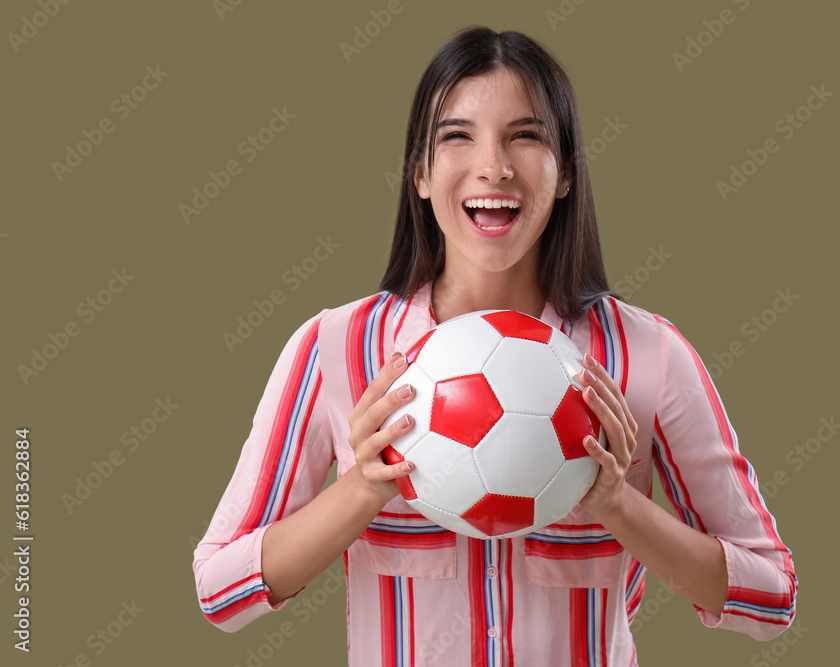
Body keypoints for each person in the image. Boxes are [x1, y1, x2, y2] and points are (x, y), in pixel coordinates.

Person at [192, 26, 797, 666]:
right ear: (420, 174)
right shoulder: (335, 349)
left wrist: (621, 509)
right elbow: (221, 592)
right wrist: (361, 490)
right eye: (458, 136)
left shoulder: (649, 356)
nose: (494, 167)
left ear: (565, 174)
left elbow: (772, 597)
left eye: (526, 136)